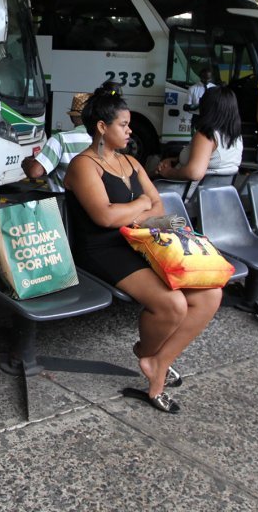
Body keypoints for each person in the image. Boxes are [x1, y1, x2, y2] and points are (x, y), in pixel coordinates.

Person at [65, 85, 221, 414]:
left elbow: (159, 207)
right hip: (102, 250)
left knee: (211, 295)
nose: (129, 130)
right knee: (173, 305)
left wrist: (136, 211)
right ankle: (150, 359)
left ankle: (157, 360)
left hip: (141, 241)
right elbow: (104, 216)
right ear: (102, 128)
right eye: (123, 124)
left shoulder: (131, 162)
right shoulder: (84, 166)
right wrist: (139, 204)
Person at [154, 86, 243, 184]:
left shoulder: (207, 135)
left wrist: (168, 172)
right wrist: (175, 160)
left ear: (208, 107)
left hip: (187, 194)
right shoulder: (237, 136)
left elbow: (194, 173)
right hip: (219, 194)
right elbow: (209, 159)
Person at [22, 92, 94, 192]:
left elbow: (35, 172)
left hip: (63, 203)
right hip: (92, 205)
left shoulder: (61, 139)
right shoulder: (102, 140)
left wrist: (26, 162)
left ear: (72, 117)